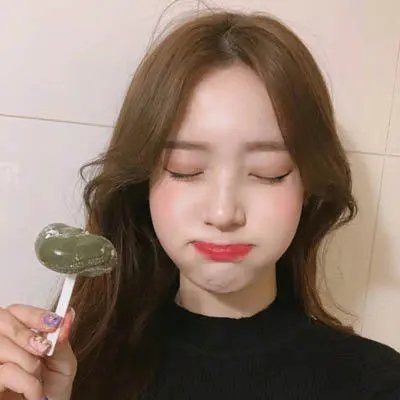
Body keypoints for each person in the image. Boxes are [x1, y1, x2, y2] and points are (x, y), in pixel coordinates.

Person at [1, 8, 400, 400]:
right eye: (186, 169)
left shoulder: (376, 383)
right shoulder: (70, 369)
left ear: (309, 186)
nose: (223, 214)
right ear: (142, 183)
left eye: (268, 172)